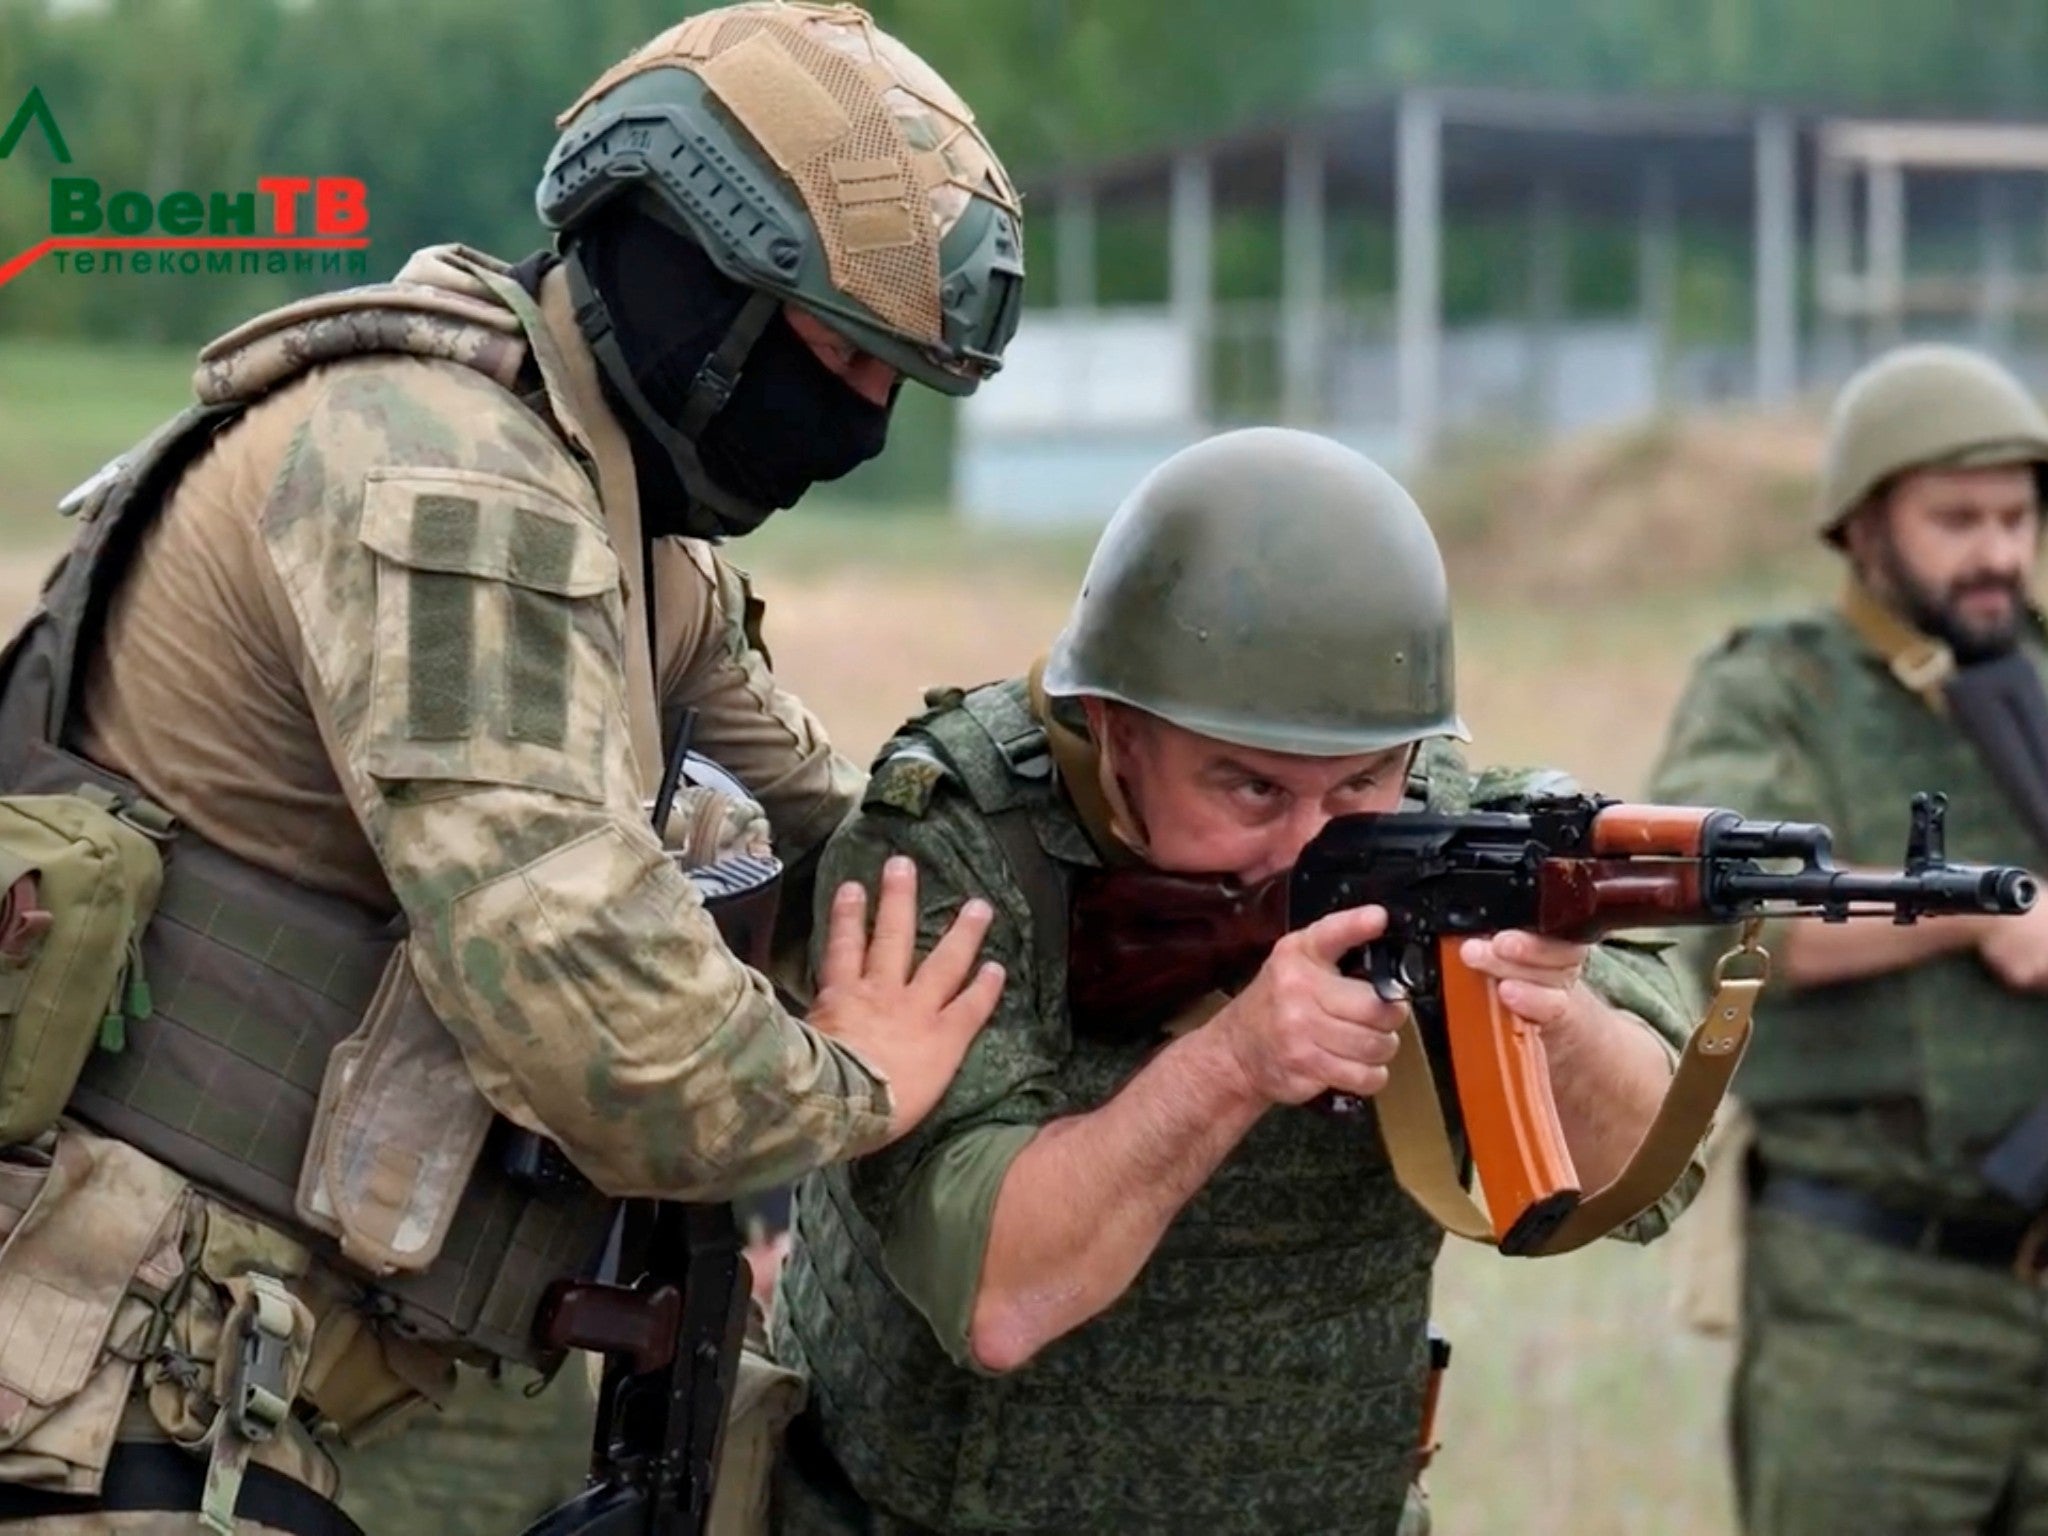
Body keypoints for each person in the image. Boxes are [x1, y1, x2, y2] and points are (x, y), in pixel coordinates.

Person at [0, 5, 1024, 1532]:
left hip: (232, 1387)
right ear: (684, 268)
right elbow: (614, 1040)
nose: (857, 426)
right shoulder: (443, 479)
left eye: (892, 385)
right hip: (103, 1400)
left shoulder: (622, 531)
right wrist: (855, 1077)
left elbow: (851, 843)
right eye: (830, 355)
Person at [767, 428, 1705, 1536]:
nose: (1308, 847)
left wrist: (1552, 1020)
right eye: (1250, 790)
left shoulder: (1463, 828)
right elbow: (999, 1301)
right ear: (1114, 731)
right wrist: (1234, 1063)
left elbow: (1642, 1181)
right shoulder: (960, 849)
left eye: (1359, 785)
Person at [1647, 343, 2048, 1536]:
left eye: (2017, 517)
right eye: (1955, 518)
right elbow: (1725, 914)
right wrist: (1973, 912)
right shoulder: (1775, 691)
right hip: (1873, 1310)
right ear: (1862, 526)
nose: (1994, 551)